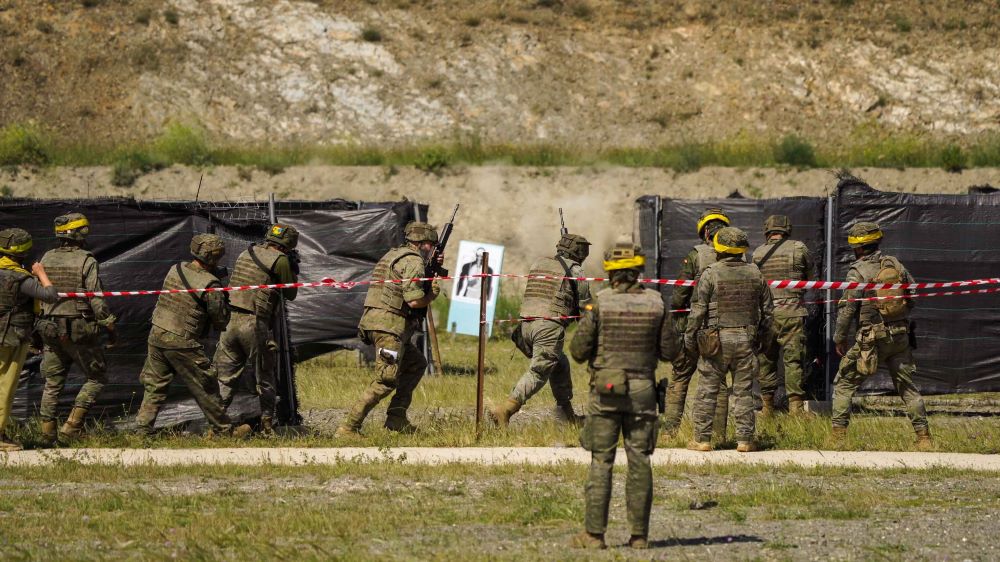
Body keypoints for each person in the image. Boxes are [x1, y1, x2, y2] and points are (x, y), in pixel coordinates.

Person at [568, 237, 676, 550]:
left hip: (606, 390)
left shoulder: (601, 302)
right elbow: (670, 351)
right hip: (643, 390)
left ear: (610, 271)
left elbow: (577, 350)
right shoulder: (657, 302)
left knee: (601, 461)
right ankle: (640, 537)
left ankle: (594, 535)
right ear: (639, 269)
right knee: (640, 460)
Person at [135, 233, 250, 437]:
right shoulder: (210, 284)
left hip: (157, 333)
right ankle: (224, 431)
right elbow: (220, 319)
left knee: (155, 384)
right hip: (181, 340)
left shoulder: (176, 269)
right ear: (214, 255)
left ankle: (142, 430)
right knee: (206, 386)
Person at [336, 222, 443, 436]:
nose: (432, 248)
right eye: (431, 244)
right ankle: (348, 427)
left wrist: (432, 267)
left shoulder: (394, 255)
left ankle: (396, 417)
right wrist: (432, 293)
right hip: (389, 328)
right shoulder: (413, 261)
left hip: (379, 322)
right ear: (422, 244)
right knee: (386, 380)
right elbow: (414, 301)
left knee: (415, 363)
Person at [831, 222, 931, 449]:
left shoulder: (858, 271)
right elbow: (912, 293)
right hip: (900, 336)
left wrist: (839, 337)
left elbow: (848, 308)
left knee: (844, 384)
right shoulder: (895, 265)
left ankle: (838, 439)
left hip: (871, 339)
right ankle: (924, 438)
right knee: (907, 388)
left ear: (857, 247)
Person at [684, 227, 773, 453]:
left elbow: (698, 311)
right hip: (746, 339)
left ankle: (702, 440)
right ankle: (745, 440)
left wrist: (690, 338)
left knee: (707, 391)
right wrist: (763, 338)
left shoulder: (710, 273)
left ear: (719, 249)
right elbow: (768, 312)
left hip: (716, 342)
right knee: (744, 391)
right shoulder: (755, 273)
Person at [489, 232, 592, 428]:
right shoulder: (576, 271)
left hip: (526, 326)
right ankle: (506, 410)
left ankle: (567, 415)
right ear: (579, 252)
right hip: (548, 328)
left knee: (559, 364)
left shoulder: (539, 264)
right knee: (539, 371)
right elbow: (586, 309)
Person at [35, 213, 118, 445]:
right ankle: (71, 427)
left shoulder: (46, 258)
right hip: (79, 327)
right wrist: (109, 326)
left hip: (49, 327)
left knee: (52, 382)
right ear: (81, 233)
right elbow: (96, 299)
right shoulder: (86, 260)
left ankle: (46, 434)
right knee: (97, 378)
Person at [213, 223, 299, 434]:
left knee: (225, 378)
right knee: (265, 377)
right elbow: (290, 293)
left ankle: (215, 428)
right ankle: (268, 427)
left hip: (230, 320)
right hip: (254, 322)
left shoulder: (246, 252)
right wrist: (293, 269)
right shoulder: (280, 260)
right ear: (288, 245)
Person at [663, 208, 732, 439]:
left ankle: (669, 433)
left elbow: (680, 294)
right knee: (719, 382)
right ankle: (719, 436)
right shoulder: (739, 258)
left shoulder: (697, 255)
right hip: (722, 329)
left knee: (680, 377)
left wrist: (677, 321)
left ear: (704, 232)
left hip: (693, 328)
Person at [0, 228, 58, 451]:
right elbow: (50, 295)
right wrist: (41, 274)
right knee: (5, 385)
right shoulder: (21, 278)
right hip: (11, 338)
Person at [750, 215, 814, 416]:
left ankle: (767, 408)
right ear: (787, 229)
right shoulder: (799, 248)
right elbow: (810, 278)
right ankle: (796, 409)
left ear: (767, 230)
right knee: (793, 360)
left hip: (766, 315)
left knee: (766, 359)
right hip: (792, 313)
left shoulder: (758, 254)